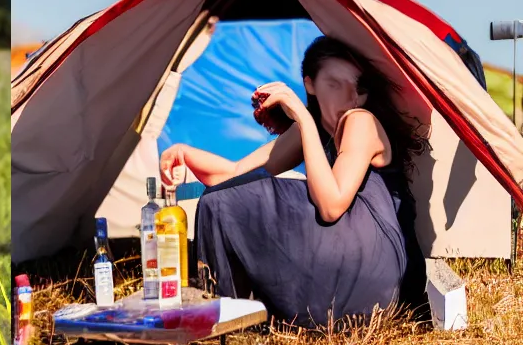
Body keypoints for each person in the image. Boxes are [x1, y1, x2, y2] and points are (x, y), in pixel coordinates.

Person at [160, 36, 428, 327]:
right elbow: (233, 175)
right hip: (344, 256)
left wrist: (300, 114)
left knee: (279, 194)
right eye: (335, 84)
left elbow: (332, 205)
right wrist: (184, 153)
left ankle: (227, 315)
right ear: (311, 84)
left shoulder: (360, 120)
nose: (350, 97)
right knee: (219, 199)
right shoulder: (311, 129)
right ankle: (226, 312)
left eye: (358, 87)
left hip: (378, 272)